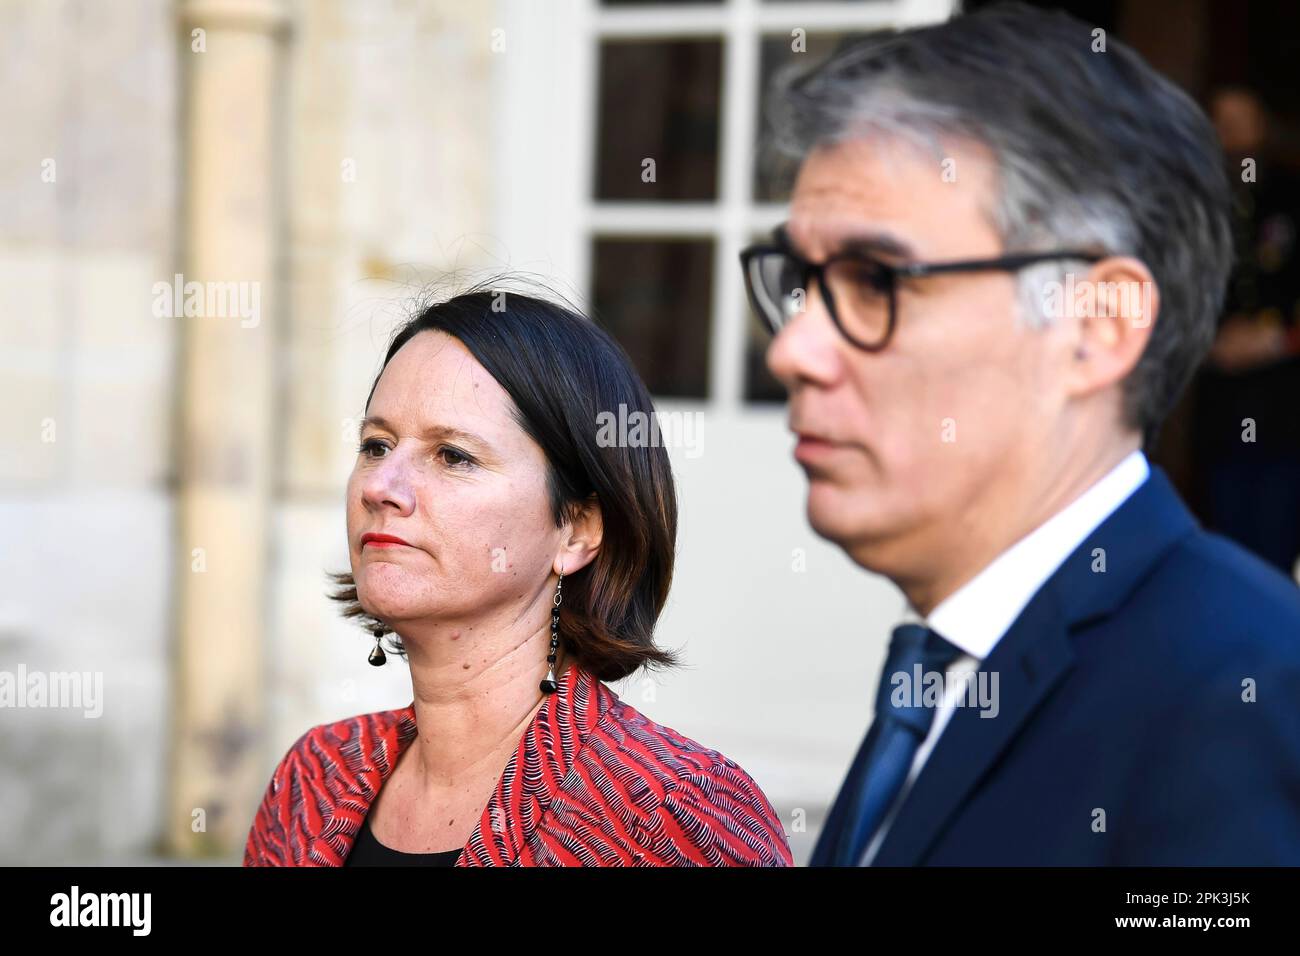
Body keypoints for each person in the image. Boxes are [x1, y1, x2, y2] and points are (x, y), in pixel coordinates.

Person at [741, 2, 1300, 865]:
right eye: (803, 281)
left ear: (1097, 325)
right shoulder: (948, 658)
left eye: (875, 280)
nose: (793, 349)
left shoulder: (1240, 689)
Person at [243, 287, 791, 866]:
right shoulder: (315, 777)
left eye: (453, 455)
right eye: (376, 446)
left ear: (576, 529)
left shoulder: (668, 818)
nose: (381, 487)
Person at [1189, 86, 1300, 576]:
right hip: (1221, 407)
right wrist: (1206, 341)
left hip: (1286, 407)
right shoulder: (1201, 205)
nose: (1230, 134)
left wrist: (1277, 339)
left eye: (1241, 120)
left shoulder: (1292, 198)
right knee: (1224, 543)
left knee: (1274, 546)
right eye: (1220, 121)